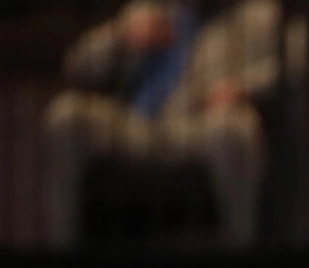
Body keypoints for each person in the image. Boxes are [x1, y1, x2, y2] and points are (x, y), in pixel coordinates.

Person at [42, 0, 283, 250]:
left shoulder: (258, 15)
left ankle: (243, 255)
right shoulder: (148, 8)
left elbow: (295, 65)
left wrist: (243, 88)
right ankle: (64, 257)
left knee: (235, 128)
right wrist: (122, 36)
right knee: (65, 114)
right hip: (133, 127)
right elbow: (77, 65)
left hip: (199, 125)